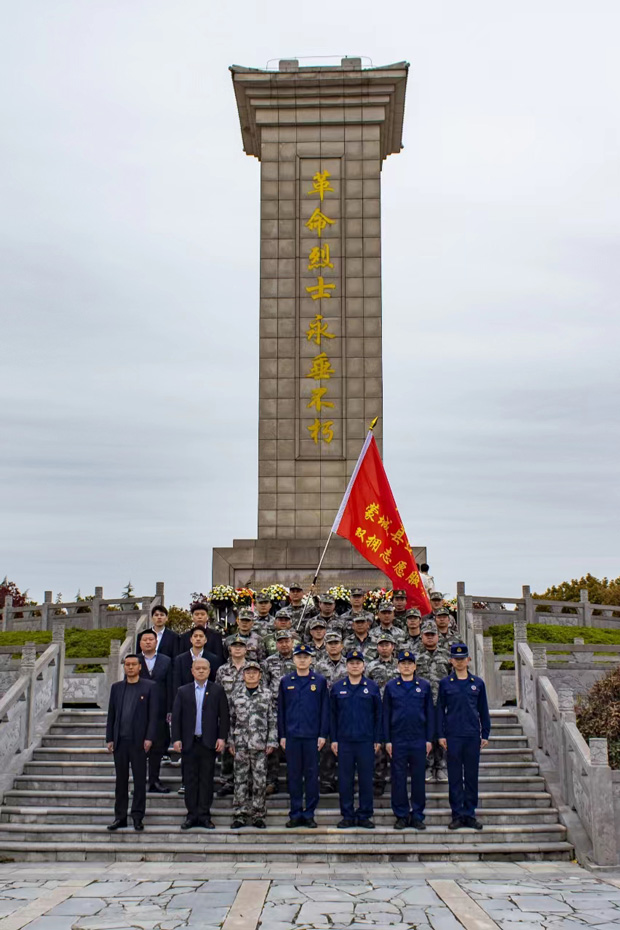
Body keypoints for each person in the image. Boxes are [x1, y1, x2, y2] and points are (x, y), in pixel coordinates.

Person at [171, 657, 229, 830]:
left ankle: (204, 815)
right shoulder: (183, 691)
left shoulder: (217, 690)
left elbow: (224, 716)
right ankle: (191, 815)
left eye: (204, 668)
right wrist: (176, 738)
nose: (201, 671)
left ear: (209, 670)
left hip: (208, 742)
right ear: (192, 671)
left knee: (206, 780)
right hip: (189, 742)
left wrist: (222, 737)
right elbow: (176, 717)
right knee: (190, 780)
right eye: (198, 668)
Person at [437, 643, 490, 831]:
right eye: (456, 659)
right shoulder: (445, 684)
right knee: (455, 777)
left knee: (471, 777)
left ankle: (470, 813)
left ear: (468, 660)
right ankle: (457, 814)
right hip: (453, 735)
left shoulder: (477, 683)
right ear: (451, 660)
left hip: (471, 735)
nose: (459, 662)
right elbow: (440, 712)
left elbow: (483, 710)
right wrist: (440, 735)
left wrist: (485, 733)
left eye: (462, 658)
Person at [278, 643, 329, 828]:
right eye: (299, 657)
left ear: (311, 659)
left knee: (311, 775)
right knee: (293, 776)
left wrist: (323, 734)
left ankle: (309, 814)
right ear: (294, 659)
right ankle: (295, 812)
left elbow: (325, 709)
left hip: (312, 737)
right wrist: (282, 735)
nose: (302, 660)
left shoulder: (319, 681)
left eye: (305, 657)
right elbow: (281, 711)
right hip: (292, 736)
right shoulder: (286, 681)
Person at [330, 650, 382, 829]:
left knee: (366, 779)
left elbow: (378, 716)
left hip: (366, 741)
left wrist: (377, 739)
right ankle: (347, 814)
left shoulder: (372, 687)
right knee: (345, 780)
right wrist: (334, 739)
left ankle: (365, 814)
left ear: (363, 665)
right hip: (344, 741)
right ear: (346, 666)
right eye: (351, 663)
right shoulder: (337, 688)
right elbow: (333, 716)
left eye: (358, 662)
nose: (354, 665)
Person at [105, 654, 157, 831]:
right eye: (127, 664)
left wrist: (149, 737)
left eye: (134, 664)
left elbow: (153, 716)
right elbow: (111, 714)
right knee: (121, 781)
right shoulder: (117, 688)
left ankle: (137, 816)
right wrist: (109, 738)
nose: (130, 667)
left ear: (140, 667)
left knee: (140, 780)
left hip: (139, 742)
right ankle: (120, 817)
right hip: (120, 741)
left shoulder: (149, 687)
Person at [383, 649, 434, 830]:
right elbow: (386, 715)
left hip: (418, 739)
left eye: (409, 663)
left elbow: (429, 714)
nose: (406, 666)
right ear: (398, 666)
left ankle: (418, 814)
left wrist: (429, 739)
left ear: (415, 666)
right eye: (403, 663)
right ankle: (401, 815)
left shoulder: (424, 686)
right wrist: (387, 740)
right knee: (398, 779)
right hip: (398, 739)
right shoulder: (391, 686)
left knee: (419, 779)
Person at [228, 661, 278, 829]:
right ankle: (240, 814)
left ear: (260, 675)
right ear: (243, 675)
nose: (251, 674)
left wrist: (272, 740)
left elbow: (272, 719)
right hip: (240, 744)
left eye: (254, 672)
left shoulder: (267, 694)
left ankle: (258, 814)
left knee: (259, 781)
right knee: (240, 780)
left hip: (260, 744)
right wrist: (230, 741)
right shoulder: (236, 695)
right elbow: (230, 720)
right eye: (247, 672)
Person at [415, 620, 451, 782]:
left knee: (442, 734)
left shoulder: (446, 655)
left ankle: (441, 766)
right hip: (421, 703)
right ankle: (427, 767)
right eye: (426, 635)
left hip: (442, 703)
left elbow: (454, 677)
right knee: (425, 735)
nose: (429, 638)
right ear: (421, 636)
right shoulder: (414, 656)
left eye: (433, 635)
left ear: (438, 636)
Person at [261, 630, 297, 795]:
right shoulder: (269, 662)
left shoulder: (299, 659)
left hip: (294, 709)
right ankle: (272, 781)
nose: (284, 644)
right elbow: (263, 685)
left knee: (293, 746)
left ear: (292, 642)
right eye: (280, 641)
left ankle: (293, 780)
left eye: (286, 641)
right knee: (273, 746)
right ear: (276, 644)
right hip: (274, 709)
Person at [138, 630, 172, 793]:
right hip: (139, 711)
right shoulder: (134, 661)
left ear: (156, 642)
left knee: (157, 748)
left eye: (151, 639)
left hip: (160, 710)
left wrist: (170, 709)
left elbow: (171, 685)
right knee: (139, 749)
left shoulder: (166, 661)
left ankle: (154, 780)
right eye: (145, 640)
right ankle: (140, 782)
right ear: (140, 643)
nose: (148, 642)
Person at [214, 634, 248, 798]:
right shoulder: (222, 670)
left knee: (246, 748)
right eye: (235, 647)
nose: (238, 649)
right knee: (227, 748)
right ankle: (227, 782)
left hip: (248, 716)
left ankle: (246, 781)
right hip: (227, 714)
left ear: (246, 649)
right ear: (229, 649)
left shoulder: (253, 668)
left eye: (241, 646)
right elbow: (217, 692)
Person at [314, 631, 347, 793]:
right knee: (326, 746)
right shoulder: (318, 666)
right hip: (325, 708)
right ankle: (327, 781)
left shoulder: (350, 664)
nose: (333, 646)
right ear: (325, 646)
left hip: (346, 710)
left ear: (342, 645)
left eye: (336, 643)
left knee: (345, 746)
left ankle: (344, 781)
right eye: (330, 643)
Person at [367, 632, 399, 797]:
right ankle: (378, 781)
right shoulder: (371, 666)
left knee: (395, 746)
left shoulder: (401, 665)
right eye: (381, 645)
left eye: (387, 644)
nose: (384, 647)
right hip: (376, 711)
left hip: (396, 711)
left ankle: (396, 781)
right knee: (378, 746)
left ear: (393, 647)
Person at [173, 626, 223, 692]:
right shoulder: (180, 659)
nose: (198, 639)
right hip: (185, 696)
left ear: (205, 640)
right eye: (195, 636)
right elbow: (176, 683)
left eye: (201, 636)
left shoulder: (213, 659)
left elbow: (214, 681)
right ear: (191, 639)